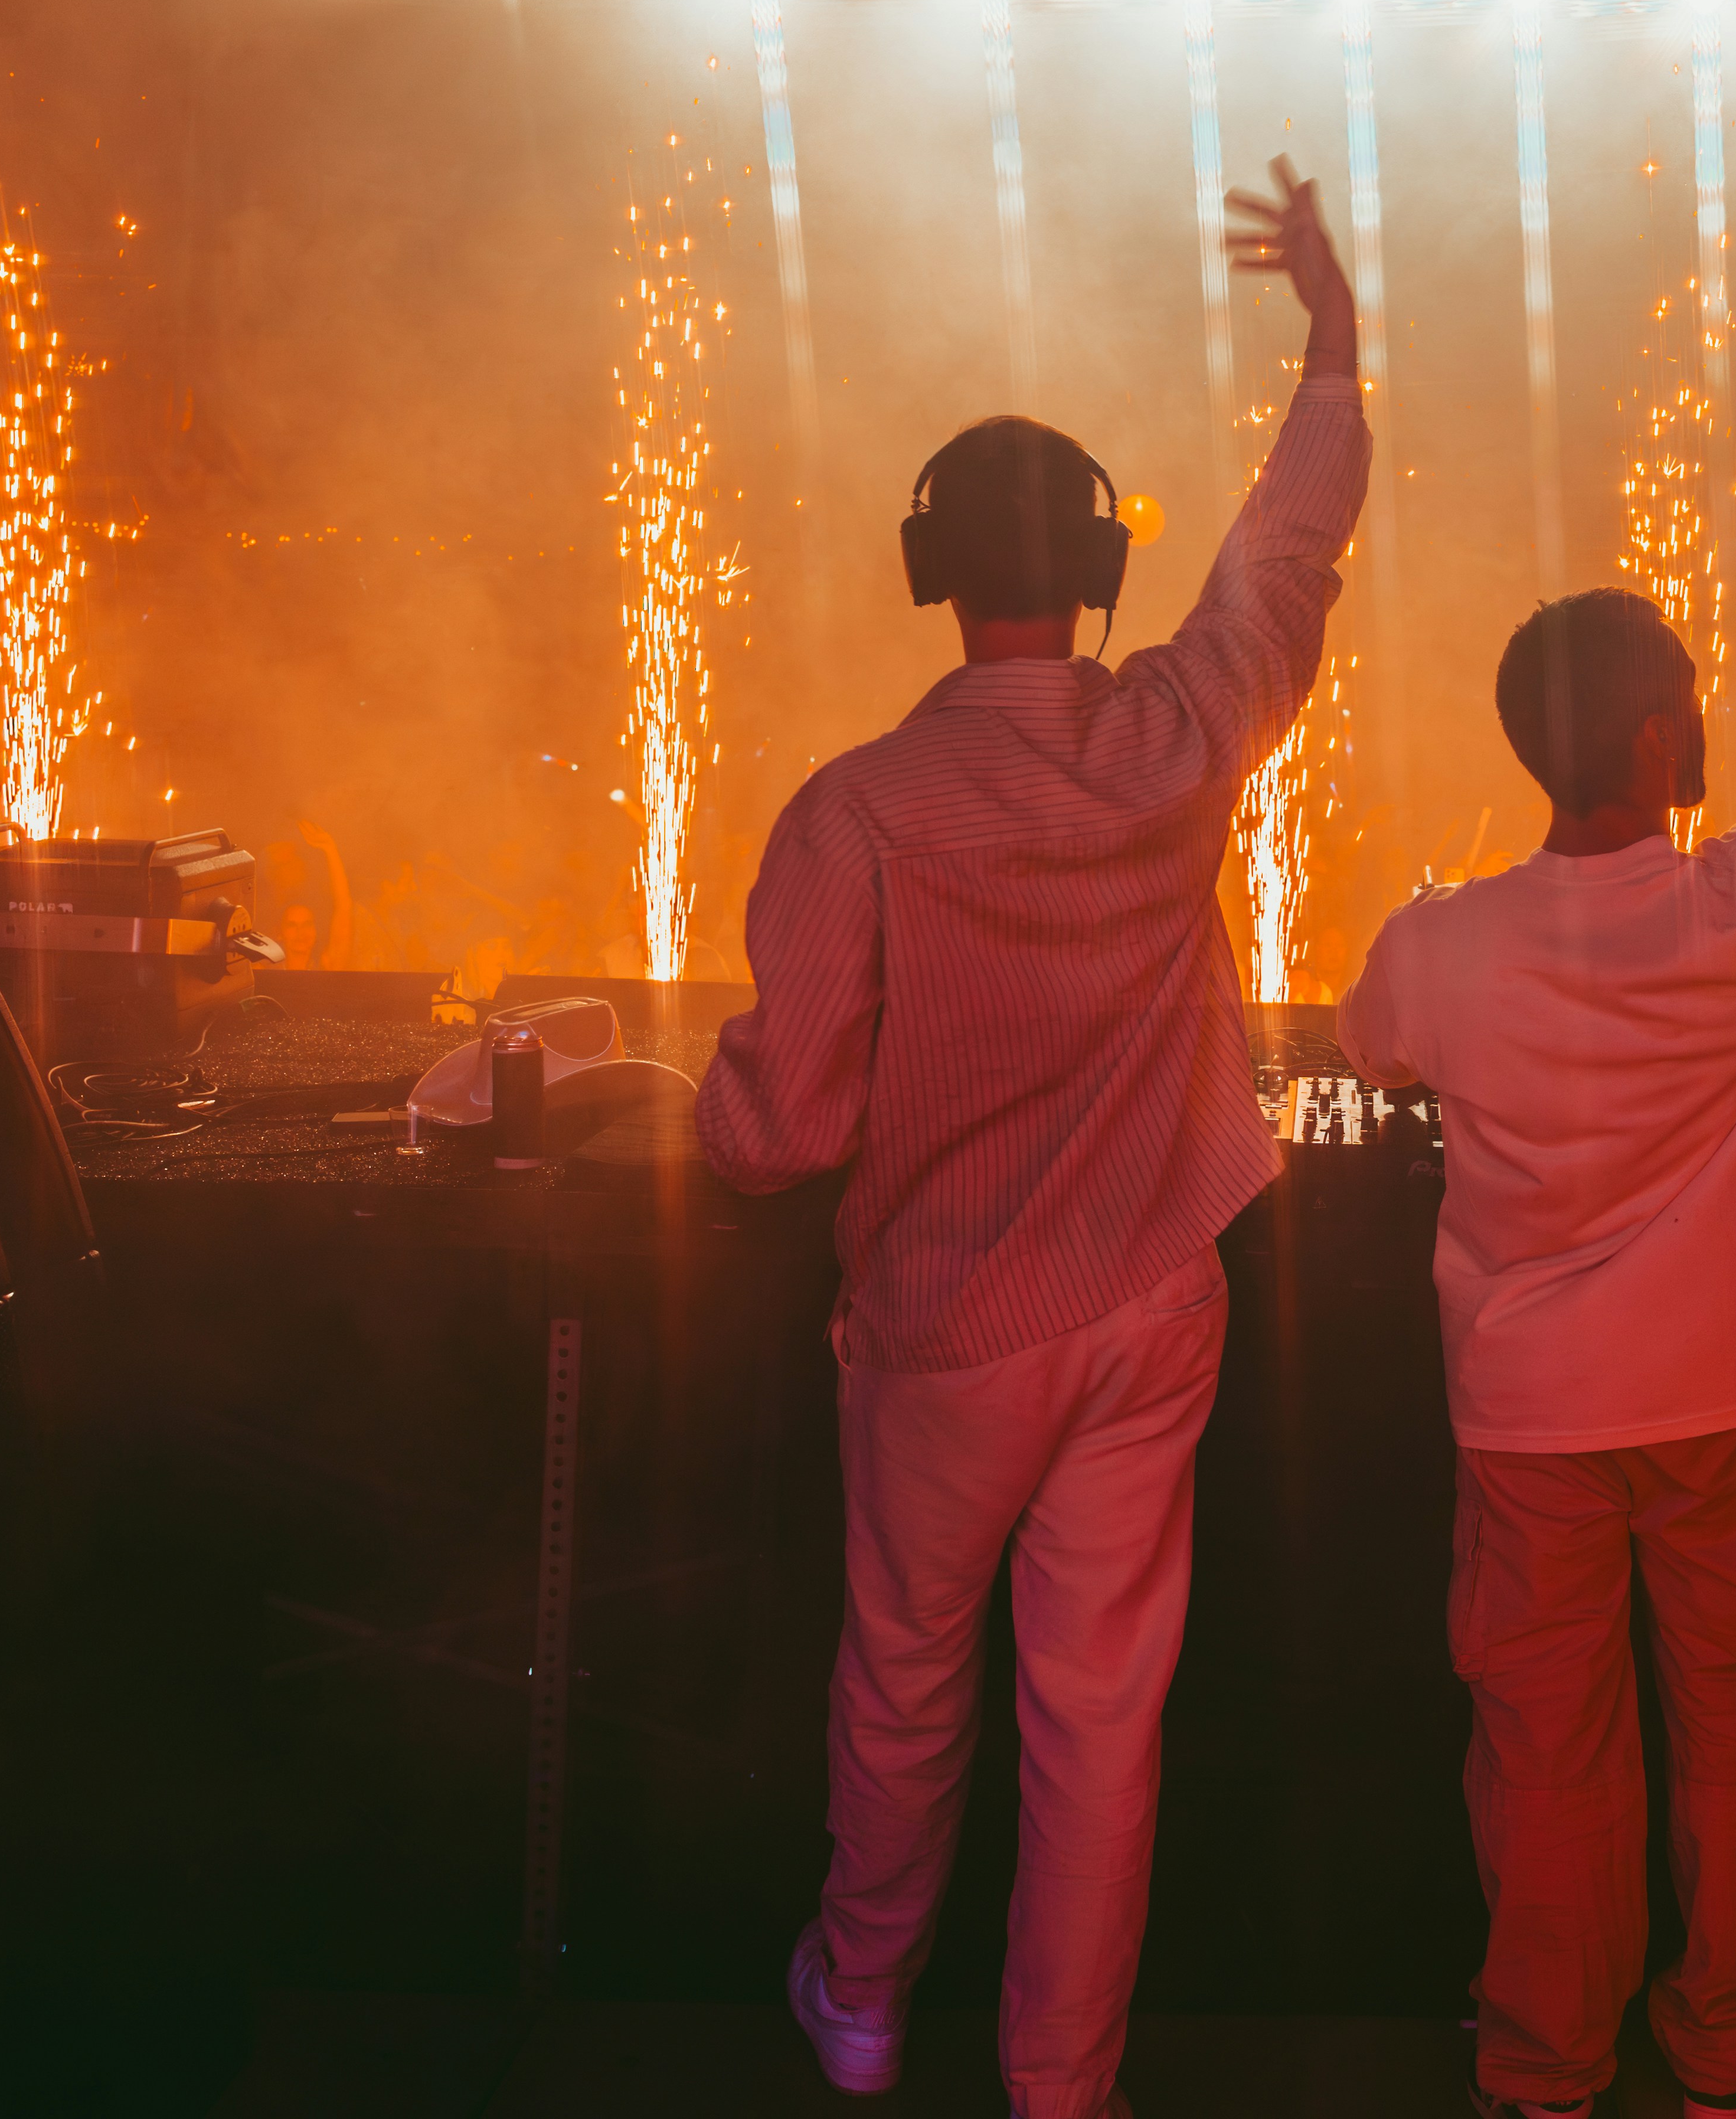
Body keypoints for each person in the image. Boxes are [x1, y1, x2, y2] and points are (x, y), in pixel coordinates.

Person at [697, 161, 1368, 2119]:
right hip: (1156, 1305)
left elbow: (784, 1121)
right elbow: (1286, 558)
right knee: (1100, 1714)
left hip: (945, 1335)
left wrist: (697, 1126)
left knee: (907, 1686)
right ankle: (1059, 2083)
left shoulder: (858, 816)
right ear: (1094, 571)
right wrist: (1328, 336)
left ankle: (861, 2001)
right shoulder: (1176, 741)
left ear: (932, 573)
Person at [1333, 313, 1736, 2119]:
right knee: (1734, 1728)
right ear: (1664, 732)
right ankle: (1733, 2042)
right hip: (1723, 1402)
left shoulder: (1436, 949)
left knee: (1543, 1747)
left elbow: (1377, 1054)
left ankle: (1541, 2067)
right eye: (1687, 695)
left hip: (1525, 1419)